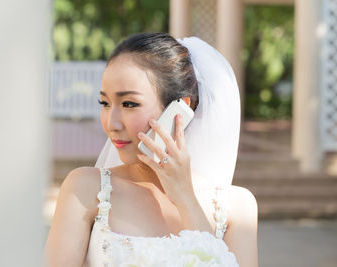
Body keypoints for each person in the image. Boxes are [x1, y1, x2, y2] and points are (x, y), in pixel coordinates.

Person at [44, 32, 258, 267]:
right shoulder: (85, 188)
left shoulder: (236, 207)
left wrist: (185, 198)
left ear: (179, 111)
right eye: (105, 103)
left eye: (129, 104)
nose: (111, 123)